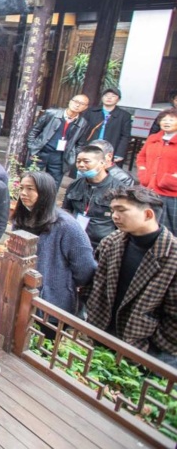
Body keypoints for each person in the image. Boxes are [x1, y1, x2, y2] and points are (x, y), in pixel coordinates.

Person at [86, 187, 177, 366]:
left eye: (121, 210)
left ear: (148, 214)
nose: (114, 216)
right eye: (113, 210)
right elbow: (94, 285)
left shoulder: (172, 255)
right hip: (102, 334)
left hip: (145, 349)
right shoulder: (111, 242)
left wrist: (152, 346)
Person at [13, 172, 96, 327]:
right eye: (22, 188)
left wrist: (60, 282)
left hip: (53, 301)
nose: (23, 193)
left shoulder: (66, 226)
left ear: (45, 192)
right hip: (20, 293)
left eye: (30, 189)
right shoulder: (22, 218)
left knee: (45, 338)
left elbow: (85, 268)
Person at [62, 145, 126, 250]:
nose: (81, 165)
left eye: (86, 161)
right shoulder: (74, 185)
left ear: (102, 163)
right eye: (78, 161)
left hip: (102, 244)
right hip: (74, 238)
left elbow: (123, 221)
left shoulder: (118, 189)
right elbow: (66, 210)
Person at [27, 94, 91, 188]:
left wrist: (72, 157)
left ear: (85, 107)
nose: (77, 105)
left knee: (53, 185)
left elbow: (80, 144)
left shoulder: (83, 123)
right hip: (41, 152)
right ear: (70, 101)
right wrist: (32, 148)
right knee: (31, 180)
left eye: (81, 104)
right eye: (76, 101)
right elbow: (34, 131)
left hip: (60, 157)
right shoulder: (51, 113)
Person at [136, 108, 177, 235]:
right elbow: (141, 157)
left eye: (171, 120)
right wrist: (143, 173)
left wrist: (172, 178)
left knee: (169, 230)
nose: (166, 122)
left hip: (171, 192)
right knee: (146, 225)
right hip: (149, 189)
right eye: (164, 119)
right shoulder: (153, 138)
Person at [82, 87, 132, 165]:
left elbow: (125, 136)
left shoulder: (124, 116)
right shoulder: (91, 112)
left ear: (118, 99)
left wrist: (119, 153)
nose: (109, 98)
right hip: (90, 147)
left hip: (110, 150)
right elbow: (82, 130)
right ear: (102, 98)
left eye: (113, 96)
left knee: (106, 170)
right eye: (106, 95)